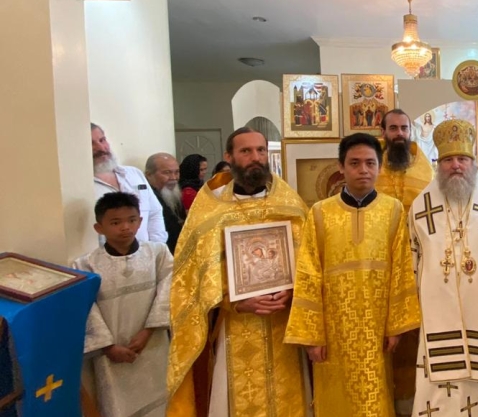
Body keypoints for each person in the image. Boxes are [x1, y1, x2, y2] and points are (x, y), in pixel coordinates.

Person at [167, 128, 309, 416]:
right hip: (234, 324)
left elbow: (309, 261)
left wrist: (295, 290)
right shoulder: (210, 209)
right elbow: (192, 278)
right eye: (246, 151)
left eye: (260, 150)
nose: (255, 157)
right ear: (229, 157)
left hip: (284, 322)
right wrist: (234, 302)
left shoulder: (290, 204)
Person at [285, 133, 421, 417]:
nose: (363, 170)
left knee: (376, 395)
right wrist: (313, 335)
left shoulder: (393, 210)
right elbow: (308, 273)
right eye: (355, 163)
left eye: (370, 163)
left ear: (379, 167)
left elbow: (401, 268)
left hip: (376, 327)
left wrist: (395, 326)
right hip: (334, 330)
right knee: (336, 397)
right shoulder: (320, 213)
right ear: (341, 166)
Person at [409, 119, 478, 417]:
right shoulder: (420, 206)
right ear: (438, 164)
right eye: (448, 160)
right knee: (437, 382)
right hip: (436, 310)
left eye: (462, 159)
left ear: (473, 163)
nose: (455, 166)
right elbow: (410, 260)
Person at [75, 192, 173, 417]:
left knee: (160, 400)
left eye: (132, 220)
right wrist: (108, 347)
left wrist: (149, 331)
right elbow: (87, 309)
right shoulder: (85, 264)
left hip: (153, 343)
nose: (125, 227)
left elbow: (169, 290)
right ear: (99, 228)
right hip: (111, 352)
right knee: (117, 405)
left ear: (140, 221)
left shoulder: (158, 253)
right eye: (115, 222)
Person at [375, 109, 433, 415]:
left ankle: (413, 403)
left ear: (411, 131)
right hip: (378, 266)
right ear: (383, 131)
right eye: (393, 128)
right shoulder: (371, 166)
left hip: (417, 268)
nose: (399, 133)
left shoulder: (425, 171)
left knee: (412, 336)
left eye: (404, 128)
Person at [91, 123, 167, 245]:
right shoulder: (82, 186)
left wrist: (155, 248)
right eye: (92, 143)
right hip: (106, 255)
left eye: (102, 140)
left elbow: (155, 213)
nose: (101, 148)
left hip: (147, 253)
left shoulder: (134, 174)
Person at [145, 152, 185, 253]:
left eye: (177, 172)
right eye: (167, 173)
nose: (174, 178)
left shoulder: (175, 193)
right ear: (149, 175)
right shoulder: (145, 198)